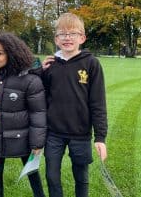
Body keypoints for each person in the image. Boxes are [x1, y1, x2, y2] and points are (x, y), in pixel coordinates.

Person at [40, 13, 108, 197]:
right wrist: (40, 72)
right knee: (52, 177)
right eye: (62, 33)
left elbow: (98, 103)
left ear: (82, 38)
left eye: (72, 33)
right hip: (53, 133)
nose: (67, 38)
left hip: (81, 134)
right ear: (56, 39)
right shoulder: (50, 65)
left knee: (81, 177)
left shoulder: (91, 64)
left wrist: (100, 137)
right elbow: (38, 95)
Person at [0, 32, 47, 197]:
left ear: (12, 54)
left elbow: (38, 113)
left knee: (32, 172)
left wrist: (37, 143)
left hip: (23, 139)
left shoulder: (31, 81)